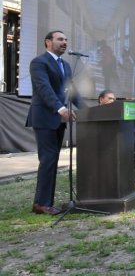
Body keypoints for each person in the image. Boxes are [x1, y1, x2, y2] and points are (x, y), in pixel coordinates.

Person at [27, 31, 81, 215]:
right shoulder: (39, 62)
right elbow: (44, 88)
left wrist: (88, 110)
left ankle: (43, 202)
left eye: (66, 39)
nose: (64, 42)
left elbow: (72, 91)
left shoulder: (65, 65)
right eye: (60, 39)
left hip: (59, 119)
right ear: (48, 42)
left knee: (53, 159)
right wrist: (60, 108)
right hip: (44, 117)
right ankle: (41, 204)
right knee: (48, 160)